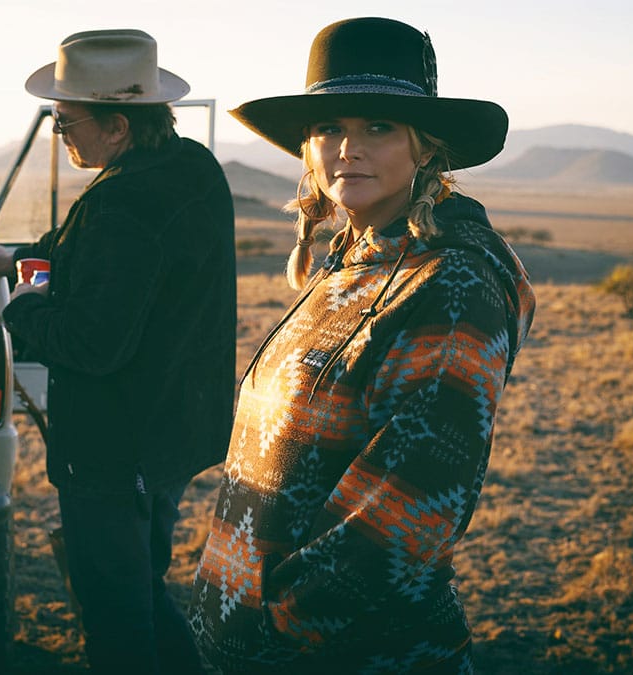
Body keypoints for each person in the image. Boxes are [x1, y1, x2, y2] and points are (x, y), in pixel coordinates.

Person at [189, 17, 536, 674]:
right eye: (329, 127)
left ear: (427, 148)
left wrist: (279, 626)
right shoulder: (355, 259)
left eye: (378, 127)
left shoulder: (450, 281)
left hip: (347, 655)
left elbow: (407, 510)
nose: (348, 147)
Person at [0, 29, 236, 675]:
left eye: (65, 120)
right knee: (141, 584)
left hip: (113, 449)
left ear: (115, 126)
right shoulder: (191, 168)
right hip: (170, 433)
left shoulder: (120, 202)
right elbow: (100, 253)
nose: (60, 133)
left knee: (114, 608)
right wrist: (24, 254)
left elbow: (90, 342)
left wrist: (18, 296)